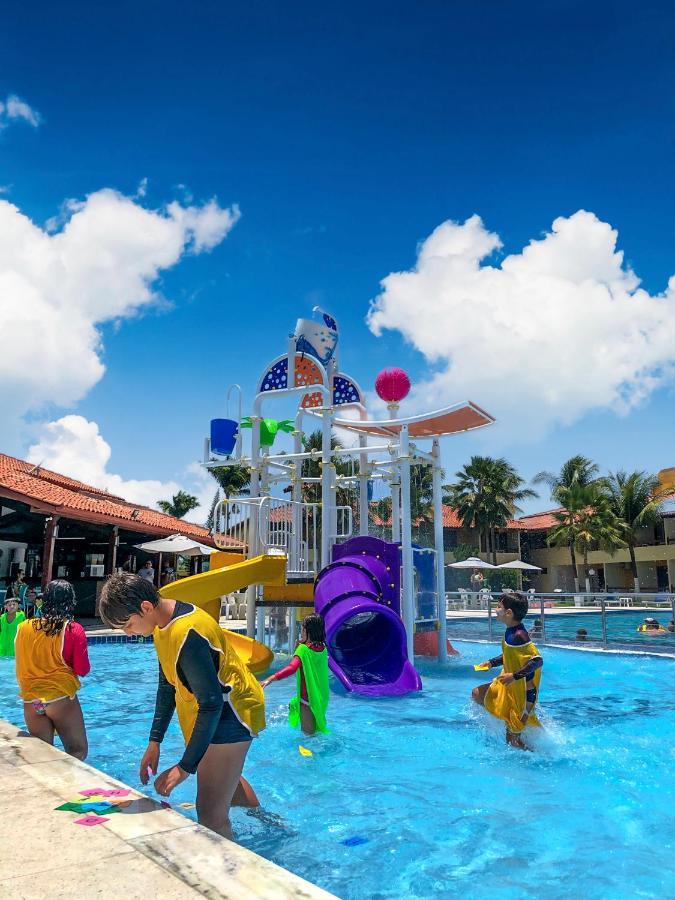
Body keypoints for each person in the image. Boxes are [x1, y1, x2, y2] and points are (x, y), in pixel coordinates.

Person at [99, 572, 265, 840]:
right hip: (216, 708)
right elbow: (167, 683)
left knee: (209, 813)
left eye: (128, 625)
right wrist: (155, 741)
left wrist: (184, 767)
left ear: (145, 607)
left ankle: (232, 874)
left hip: (232, 712)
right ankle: (271, 825)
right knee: (223, 781)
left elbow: (211, 704)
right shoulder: (161, 624)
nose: (128, 633)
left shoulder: (187, 633)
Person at [14, 580, 90, 759]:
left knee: (43, 758)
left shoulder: (22, 627)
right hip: (60, 699)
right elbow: (82, 669)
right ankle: (67, 788)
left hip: (31, 701)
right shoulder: (72, 629)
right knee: (77, 751)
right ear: (70, 601)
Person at [472, 592, 543, 750]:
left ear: (509, 613)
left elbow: (537, 660)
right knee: (477, 693)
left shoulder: (520, 635)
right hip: (508, 686)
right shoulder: (510, 631)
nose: (496, 609)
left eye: (499, 607)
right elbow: (510, 655)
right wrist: (491, 663)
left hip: (523, 695)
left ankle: (538, 758)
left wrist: (514, 676)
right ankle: (502, 718)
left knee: (512, 741)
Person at [261, 614, 329, 735]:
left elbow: (292, 668)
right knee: (317, 727)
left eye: (303, 630)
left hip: (307, 699)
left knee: (308, 735)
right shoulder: (323, 648)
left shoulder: (303, 650)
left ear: (309, 632)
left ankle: (309, 752)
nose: (301, 632)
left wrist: (270, 678)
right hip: (321, 697)